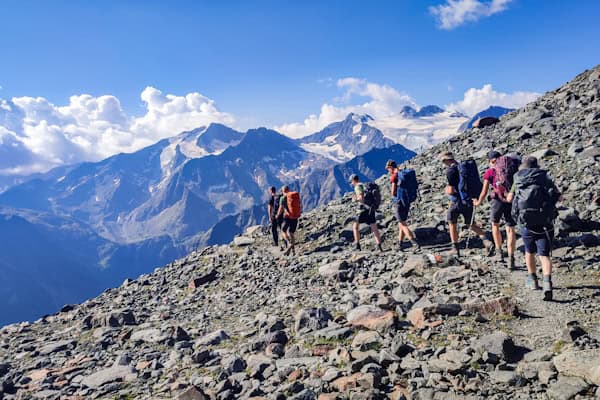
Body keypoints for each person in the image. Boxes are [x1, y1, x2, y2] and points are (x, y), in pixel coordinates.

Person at [508, 156, 561, 301]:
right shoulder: (544, 178)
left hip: (526, 223)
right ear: (536, 165)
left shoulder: (518, 179)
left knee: (529, 251)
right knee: (544, 255)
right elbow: (558, 196)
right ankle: (547, 283)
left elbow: (510, 199)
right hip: (545, 222)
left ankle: (533, 280)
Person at [439, 151, 493, 256]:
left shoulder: (451, 171)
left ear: (445, 160)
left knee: (451, 221)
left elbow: (451, 190)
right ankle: (486, 241)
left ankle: (455, 247)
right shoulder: (463, 168)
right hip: (469, 200)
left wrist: (447, 191)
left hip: (457, 201)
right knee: (470, 223)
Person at [473, 151, 517, 268]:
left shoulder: (490, 172)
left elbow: (484, 191)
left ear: (491, 160)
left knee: (495, 225)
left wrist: (478, 202)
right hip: (510, 200)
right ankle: (511, 258)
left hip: (497, 200)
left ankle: (499, 252)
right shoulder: (511, 168)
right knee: (510, 228)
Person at [385, 160, 419, 251]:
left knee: (402, 224)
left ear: (391, 167)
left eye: (388, 169)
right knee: (401, 223)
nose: (388, 171)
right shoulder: (403, 173)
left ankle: (414, 242)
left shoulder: (394, 176)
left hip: (399, 202)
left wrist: (393, 196)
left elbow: (393, 192)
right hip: (406, 201)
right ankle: (400, 244)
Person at [350, 174, 383, 252]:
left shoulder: (357, 187)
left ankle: (358, 246)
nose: (351, 183)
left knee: (355, 227)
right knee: (374, 227)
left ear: (353, 180)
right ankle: (379, 246)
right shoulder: (364, 185)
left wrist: (355, 199)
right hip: (371, 209)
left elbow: (361, 198)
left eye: (351, 182)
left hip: (362, 210)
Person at [277, 185, 301, 256]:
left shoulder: (283, 198)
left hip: (287, 217)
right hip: (295, 217)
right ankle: (293, 251)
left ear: (283, 191)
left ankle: (288, 243)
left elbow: (281, 209)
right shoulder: (294, 196)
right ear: (288, 189)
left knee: (283, 230)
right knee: (291, 233)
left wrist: (277, 215)